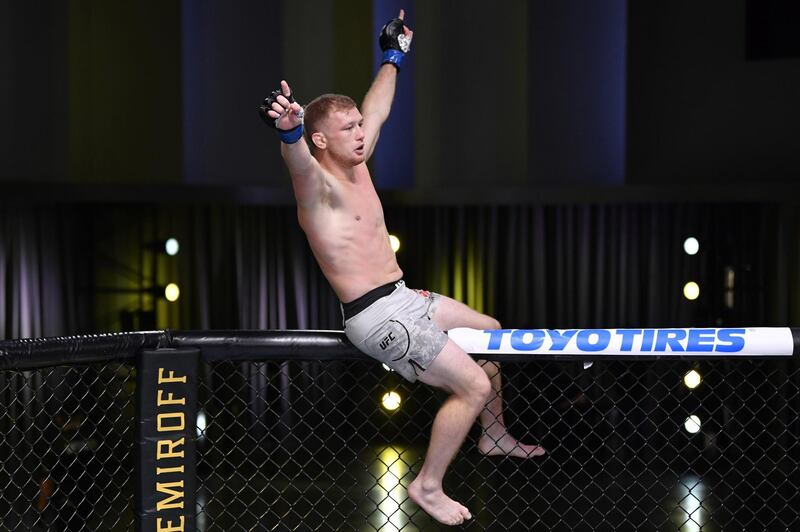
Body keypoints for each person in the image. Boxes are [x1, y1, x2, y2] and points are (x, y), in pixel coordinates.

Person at [260, 10, 544, 526]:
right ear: (321, 140)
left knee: (494, 337)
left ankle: (494, 434)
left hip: (404, 297)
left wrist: (394, 54)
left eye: (358, 126)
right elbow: (298, 161)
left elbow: (379, 108)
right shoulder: (318, 189)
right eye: (347, 130)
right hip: (377, 316)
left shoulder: (358, 162)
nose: (360, 134)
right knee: (473, 386)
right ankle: (428, 485)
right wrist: (289, 131)